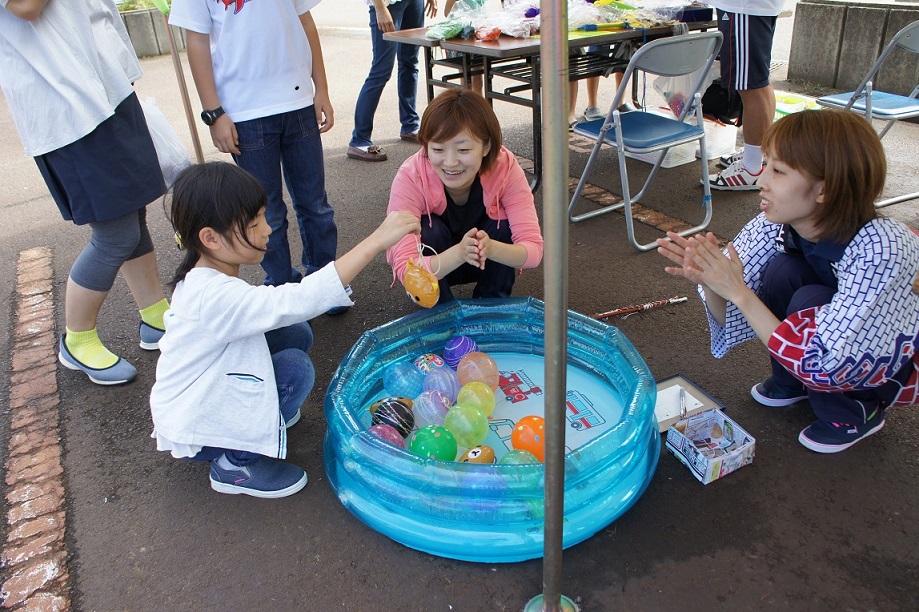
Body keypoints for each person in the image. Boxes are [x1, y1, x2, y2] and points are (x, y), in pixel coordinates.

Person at [150, 162, 420, 498]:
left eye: (264, 216)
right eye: (254, 223)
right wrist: (376, 241)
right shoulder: (213, 295)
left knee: (296, 333)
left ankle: (264, 419)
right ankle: (236, 463)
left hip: (203, 393)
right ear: (210, 238)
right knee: (296, 368)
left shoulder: (204, 274)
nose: (267, 229)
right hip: (198, 427)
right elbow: (301, 298)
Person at [657, 109, 919, 454]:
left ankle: (857, 413)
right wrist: (713, 282)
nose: (762, 180)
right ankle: (792, 382)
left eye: (777, 170)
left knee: (807, 299)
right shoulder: (775, 223)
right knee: (782, 272)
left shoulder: (883, 248)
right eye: (765, 164)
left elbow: (828, 360)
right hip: (828, 347)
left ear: (825, 189)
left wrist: (738, 291)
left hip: (885, 366)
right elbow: (737, 315)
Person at [0, 0, 171, 386]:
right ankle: (77, 340)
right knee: (115, 233)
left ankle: (155, 316)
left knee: (132, 213)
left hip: (105, 84)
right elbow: (25, 7)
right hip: (64, 102)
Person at [169, 0, 346, 311]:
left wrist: (322, 89)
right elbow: (195, 40)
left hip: (298, 101)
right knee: (266, 214)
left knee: (315, 205)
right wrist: (214, 112)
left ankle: (325, 284)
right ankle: (280, 289)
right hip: (243, 112)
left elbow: (304, 20)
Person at [386, 89, 543, 303]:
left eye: (463, 150)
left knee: (502, 227)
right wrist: (459, 253)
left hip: (487, 260)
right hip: (438, 264)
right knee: (428, 230)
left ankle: (491, 305)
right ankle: (441, 312)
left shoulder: (505, 168)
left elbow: (533, 251)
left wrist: (492, 248)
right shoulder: (411, 176)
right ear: (425, 147)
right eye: (438, 149)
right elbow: (406, 267)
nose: (450, 162)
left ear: (486, 146)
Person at [347, 0, 438, 162]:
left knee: (410, 63)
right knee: (381, 71)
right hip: (389, 4)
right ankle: (359, 139)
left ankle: (410, 125)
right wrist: (380, 7)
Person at [706, 0, 782, 190]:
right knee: (759, 84)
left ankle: (751, 168)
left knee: (751, 87)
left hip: (742, 8)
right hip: (750, 8)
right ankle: (758, 155)